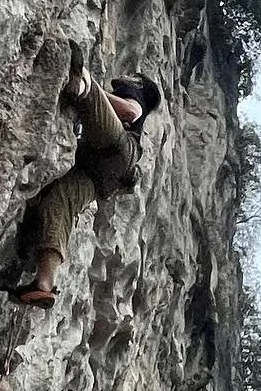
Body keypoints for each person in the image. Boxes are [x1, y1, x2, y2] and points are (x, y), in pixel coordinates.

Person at [13, 44, 161, 307]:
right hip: (98, 174)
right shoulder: (129, 97)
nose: (127, 78)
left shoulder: (136, 96)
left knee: (94, 103)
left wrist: (94, 87)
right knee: (59, 200)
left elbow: (130, 112)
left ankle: (78, 81)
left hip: (118, 148)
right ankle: (44, 283)